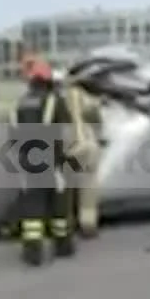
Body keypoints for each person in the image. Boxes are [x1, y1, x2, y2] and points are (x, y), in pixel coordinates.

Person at [12, 53, 77, 266]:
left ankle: (32, 252)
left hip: (27, 160)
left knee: (32, 206)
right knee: (59, 203)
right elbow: (66, 133)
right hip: (51, 158)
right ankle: (63, 246)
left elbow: (13, 134)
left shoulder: (21, 102)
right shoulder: (53, 100)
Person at [60, 70, 104, 238]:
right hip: (88, 147)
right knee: (88, 185)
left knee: (67, 184)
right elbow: (97, 121)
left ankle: (68, 222)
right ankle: (88, 224)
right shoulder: (90, 100)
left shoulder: (61, 98)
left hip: (71, 148)